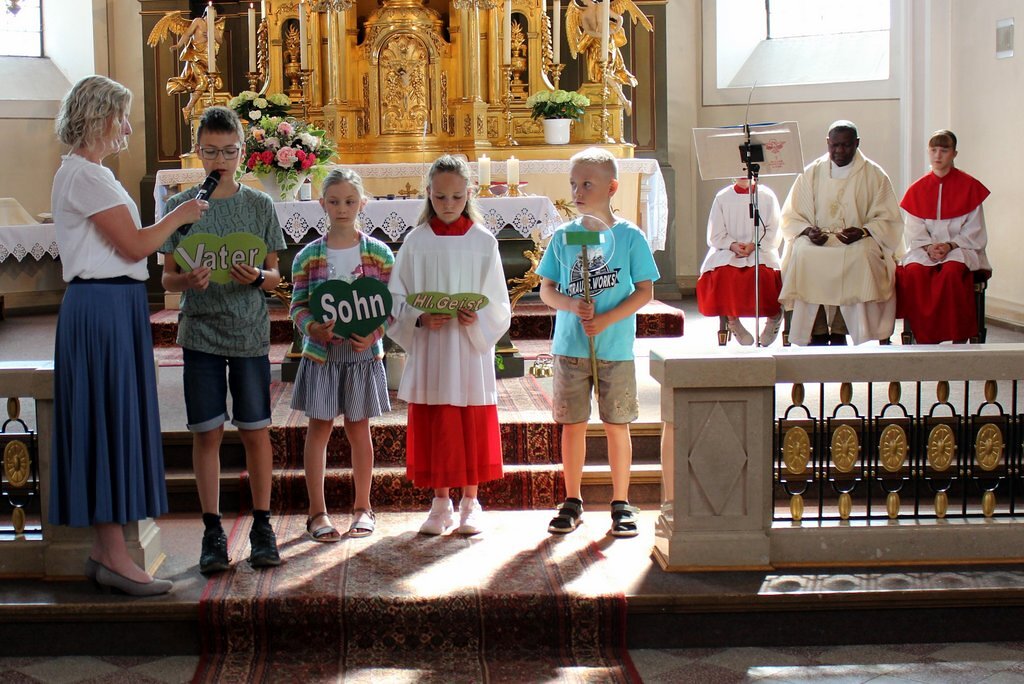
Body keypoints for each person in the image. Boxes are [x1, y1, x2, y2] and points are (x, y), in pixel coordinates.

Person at [49, 75, 206, 595]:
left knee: (112, 418)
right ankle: (114, 554)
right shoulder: (86, 176)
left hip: (112, 305)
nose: (128, 128)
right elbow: (136, 246)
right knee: (107, 419)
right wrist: (180, 215)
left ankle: (106, 550)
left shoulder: (88, 173)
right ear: (99, 117)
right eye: (121, 117)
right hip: (102, 310)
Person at [160, 106, 286, 574]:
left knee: (255, 429)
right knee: (207, 431)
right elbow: (167, 279)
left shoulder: (259, 205)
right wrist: (186, 281)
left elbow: (275, 276)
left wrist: (258, 277)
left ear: (243, 152)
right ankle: (212, 531)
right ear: (198, 152)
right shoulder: (182, 207)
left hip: (248, 329)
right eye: (211, 152)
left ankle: (262, 526)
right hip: (201, 329)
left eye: (229, 152)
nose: (220, 161)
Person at [535, 147, 660, 537]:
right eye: (574, 184)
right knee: (573, 425)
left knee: (616, 424)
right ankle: (572, 499)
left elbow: (645, 291)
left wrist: (605, 318)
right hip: (571, 347)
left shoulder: (629, 236)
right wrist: (571, 304)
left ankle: (621, 501)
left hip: (614, 348)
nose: (578, 192)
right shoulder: (565, 235)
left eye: (587, 184)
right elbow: (546, 290)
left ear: (612, 188)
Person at [387, 155, 511, 536]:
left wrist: (478, 318)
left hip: (469, 348)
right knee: (438, 420)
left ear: (469, 193)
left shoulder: (483, 242)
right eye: (440, 197)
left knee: (469, 420)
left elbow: (499, 302)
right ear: (428, 193)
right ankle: (440, 503)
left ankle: (471, 502)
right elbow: (395, 297)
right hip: (433, 346)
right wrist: (418, 317)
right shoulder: (416, 242)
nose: (448, 204)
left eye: (456, 197)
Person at [289, 169, 394, 540]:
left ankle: (363, 507)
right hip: (322, 356)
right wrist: (312, 328)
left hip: (361, 355)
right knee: (318, 428)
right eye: (334, 201)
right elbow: (297, 305)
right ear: (322, 204)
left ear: (362, 203)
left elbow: (390, 305)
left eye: (350, 201)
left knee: (358, 428)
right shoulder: (307, 256)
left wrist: (374, 334)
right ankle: (317, 512)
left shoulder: (379, 253)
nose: (342, 208)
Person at [778, 120, 905, 346]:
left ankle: (841, 328)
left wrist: (864, 231)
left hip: (857, 241)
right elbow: (791, 216)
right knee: (803, 252)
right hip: (819, 240)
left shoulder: (874, 175)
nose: (840, 151)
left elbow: (888, 219)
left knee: (863, 255)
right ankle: (816, 329)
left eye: (846, 145)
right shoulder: (811, 172)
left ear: (857, 143)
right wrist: (807, 231)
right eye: (834, 145)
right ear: (827, 142)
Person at [896, 130, 991, 344]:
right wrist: (928, 247)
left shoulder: (970, 187)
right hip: (925, 249)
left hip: (960, 248)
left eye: (944, 150)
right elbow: (914, 229)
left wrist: (949, 245)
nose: (938, 155)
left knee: (951, 272)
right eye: (933, 150)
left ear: (954, 153)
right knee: (914, 272)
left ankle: (957, 335)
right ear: (928, 152)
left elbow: (974, 230)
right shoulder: (917, 190)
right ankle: (923, 335)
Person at [696, 178, 783, 346]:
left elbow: (774, 229)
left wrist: (754, 244)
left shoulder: (767, 196)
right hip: (729, 249)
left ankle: (773, 317)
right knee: (724, 273)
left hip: (760, 248)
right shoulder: (723, 197)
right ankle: (733, 320)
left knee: (763, 275)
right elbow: (715, 233)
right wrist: (732, 245)